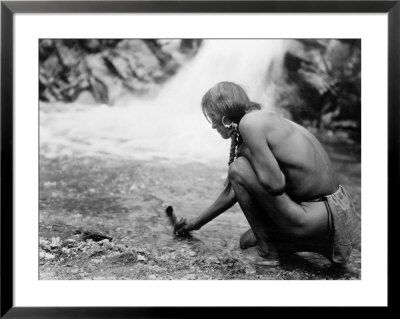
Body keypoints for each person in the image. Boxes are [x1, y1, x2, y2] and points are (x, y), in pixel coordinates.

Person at [174, 81, 360, 265]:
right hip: (335, 217)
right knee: (246, 241)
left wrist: (245, 153)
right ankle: (317, 245)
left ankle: (268, 252)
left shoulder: (249, 124)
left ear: (225, 116)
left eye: (212, 116)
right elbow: (233, 191)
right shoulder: (263, 119)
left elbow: (275, 184)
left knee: (238, 167)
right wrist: (196, 223)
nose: (212, 125)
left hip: (317, 216)